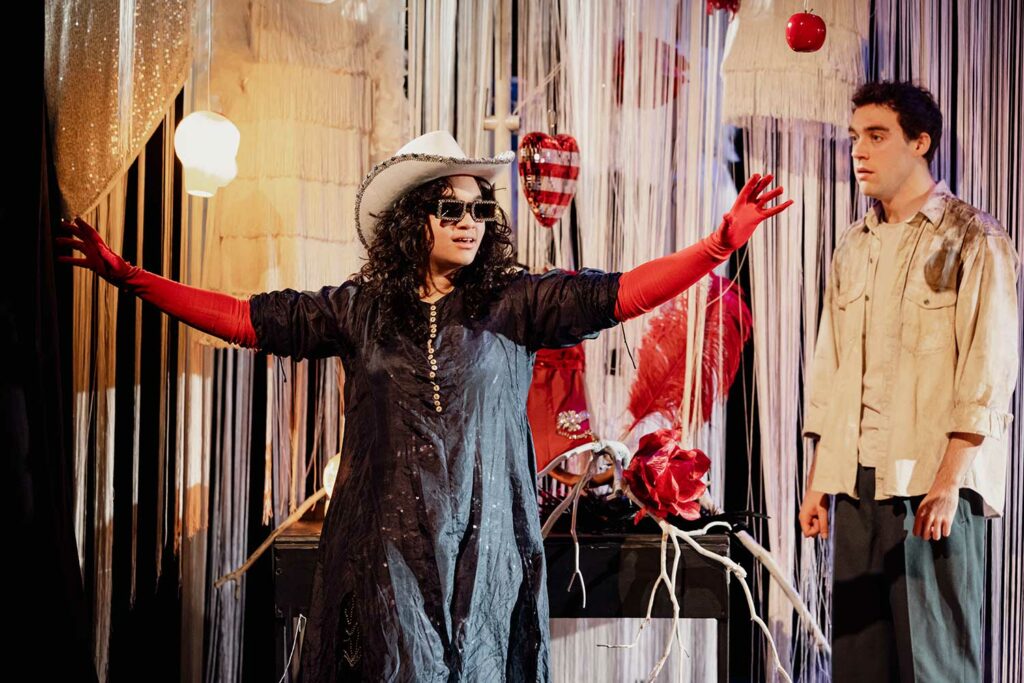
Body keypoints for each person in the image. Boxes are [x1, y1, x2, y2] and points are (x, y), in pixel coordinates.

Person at [59, 130, 791, 681]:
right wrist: (129, 276)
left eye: (479, 208)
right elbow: (246, 319)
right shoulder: (360, 310)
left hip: (488, 547)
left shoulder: (515, 304)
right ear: (415, 220)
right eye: (450, 208)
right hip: (387, 550)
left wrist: (715, 245)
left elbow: (622, 294)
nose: (469, 221)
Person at [799, 82, 1019, 682]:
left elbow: (988, 375)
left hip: (930, 485)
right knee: (859, 666)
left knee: (934, 666)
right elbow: (832, 366)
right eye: (854, 138)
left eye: (877, 136)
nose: (859, 151)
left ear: (920, 143)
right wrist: (820, 480)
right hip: (857, 486)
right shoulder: (854, 244)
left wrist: (949, 483)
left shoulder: (972, 237)